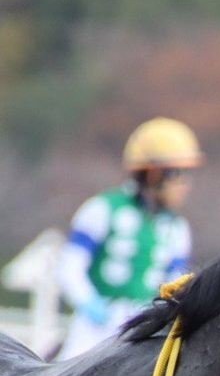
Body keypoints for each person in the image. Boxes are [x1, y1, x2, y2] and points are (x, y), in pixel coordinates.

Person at [56, 117, 203, 359]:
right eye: (180, 174)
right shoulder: (102, 209)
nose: (185, 185)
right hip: (93, 329)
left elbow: (175, 284)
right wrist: (92, 305)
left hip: (142, 327)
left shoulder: (178, 229)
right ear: (155, 174)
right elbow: (69, 267)